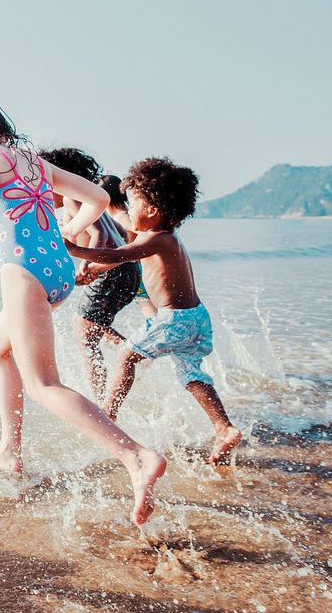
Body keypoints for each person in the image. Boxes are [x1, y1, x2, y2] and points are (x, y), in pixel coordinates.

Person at [0, 99, 166, 525]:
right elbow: (97, 197)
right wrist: (70, 232)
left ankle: (135, 457)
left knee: (44, 383)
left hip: (22, 271)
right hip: (56, 270)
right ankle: (9, 448)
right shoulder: (35, 161)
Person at [66, 157, 242, 464]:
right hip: (195, 317)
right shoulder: (163, 237)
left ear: (152, 211)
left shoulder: (158, 239)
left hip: (174, 319)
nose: (127, 209)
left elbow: (117, 252)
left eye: (133, 203)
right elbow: (120, 258)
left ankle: (108, 413)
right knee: (191, 374)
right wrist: (92, 270)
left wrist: (72, 248)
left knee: (126, 355)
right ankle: (223, 427)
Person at [39, 148, 140, 402]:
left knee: (85, 336)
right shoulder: (87, 200)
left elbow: (100, 235)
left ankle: (100, 400)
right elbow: (120, 231)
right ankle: (127, 348)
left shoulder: (73, 199)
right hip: (126, 270)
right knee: (91, 325)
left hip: (111, 272)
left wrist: (86, 265)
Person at [100, 175, 157, 319]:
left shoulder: (122, 216)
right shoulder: (120, 214)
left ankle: (158, 330)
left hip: (138, 267)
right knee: (146, 303)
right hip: (135, 267)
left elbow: (141, 230)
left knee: (146, 303)